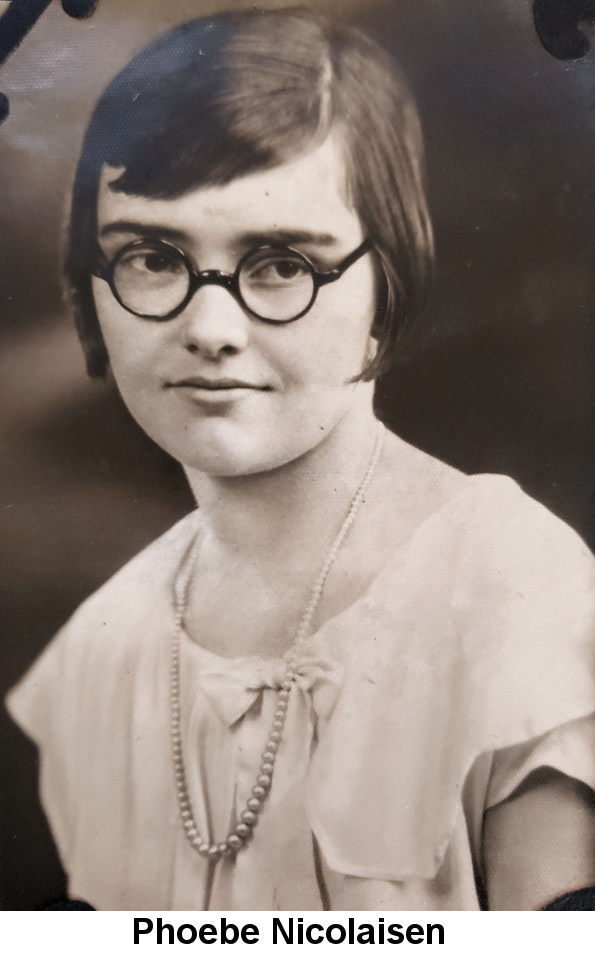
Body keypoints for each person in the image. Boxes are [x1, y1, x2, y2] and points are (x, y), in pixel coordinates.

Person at [6, 8, 595, 911]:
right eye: (152, 256)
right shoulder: (101, 646)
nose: (208, 330)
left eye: (280, 263)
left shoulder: (509, 582)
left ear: (383, 278)